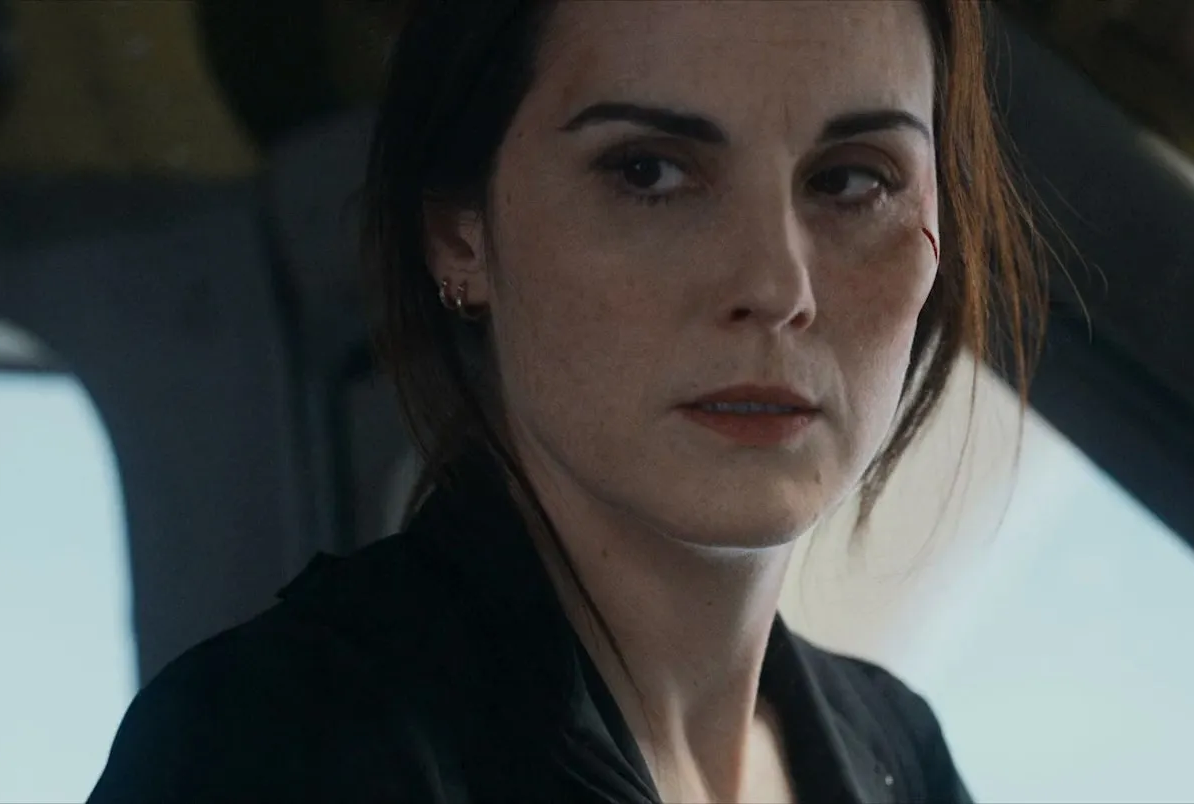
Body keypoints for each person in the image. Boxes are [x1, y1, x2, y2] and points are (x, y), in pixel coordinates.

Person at [87, 0, 1042, 801]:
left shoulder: (900, 753)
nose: (777, 285)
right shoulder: (270, 748)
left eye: (852, 180)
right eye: (649, 172)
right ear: (460, 235)